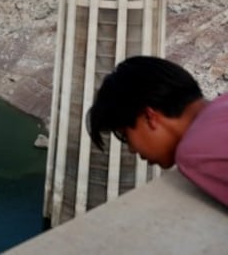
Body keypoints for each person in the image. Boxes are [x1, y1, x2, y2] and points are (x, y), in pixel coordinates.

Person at [87, 55, 228, 206]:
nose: (132, 149)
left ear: (149, 117)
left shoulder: (195, 153)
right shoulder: (222, 105)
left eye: (126, 136)